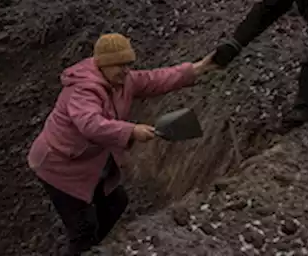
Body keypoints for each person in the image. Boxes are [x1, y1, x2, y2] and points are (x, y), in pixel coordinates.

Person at [29, 34, 216, 254]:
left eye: (128, 64)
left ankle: (94, 248)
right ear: (102, 64)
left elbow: (154, 79)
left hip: (89, 162)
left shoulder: (122, 82)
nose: (125, 70)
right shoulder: (83, 90)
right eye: (119, 65)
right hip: (59, 166)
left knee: (115, 203)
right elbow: (90, 124)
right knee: (82, 229)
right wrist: (131, 130)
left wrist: (196, 69)